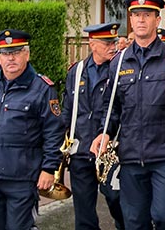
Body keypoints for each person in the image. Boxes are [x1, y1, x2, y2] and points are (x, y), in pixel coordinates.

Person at [90, 0, 165, 230]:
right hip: (131, 156)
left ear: (158, 20)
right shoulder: (119, 61)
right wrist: (105, 132)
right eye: (136, 15)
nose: (141, 20)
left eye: (147, 15)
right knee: (134, 222)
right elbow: (111, 106)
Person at [0, 29, 64, 229]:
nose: (11, 58)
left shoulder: (42, 88)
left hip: (23, 179)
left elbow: (53, 132)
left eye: (16, 52)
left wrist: (48, 168)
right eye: (5, 53)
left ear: (27, 54)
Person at [62, 23, 125, 230]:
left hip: (112, 150)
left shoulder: (119, 69)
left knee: (116, 199)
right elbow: (68, 110)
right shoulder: (76, 71)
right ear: (92, 44)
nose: (113, 47)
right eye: (107, 43)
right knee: (83, 210)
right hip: (81, 149)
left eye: (114, 42)